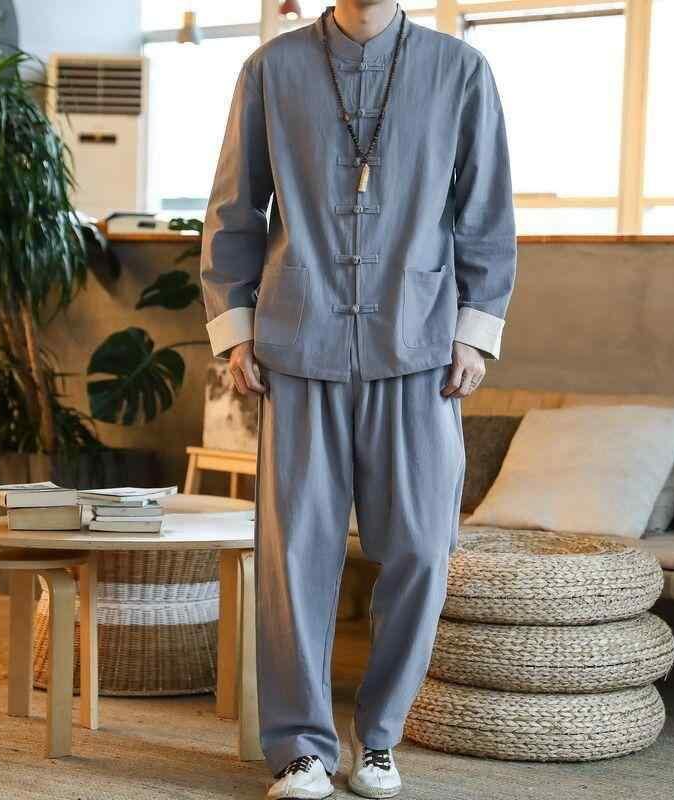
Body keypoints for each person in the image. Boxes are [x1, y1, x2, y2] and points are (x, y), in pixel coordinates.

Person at [200, 2, 516, 797]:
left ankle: (378, 739)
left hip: (419, 342)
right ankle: (300, 748)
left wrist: (475, 333)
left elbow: (486, 212)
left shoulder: (460, 70)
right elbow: (235, 210)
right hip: (297, 342)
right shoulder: (271, 70)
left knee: (421, 547)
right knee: (294, 558)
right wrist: (235, 331)